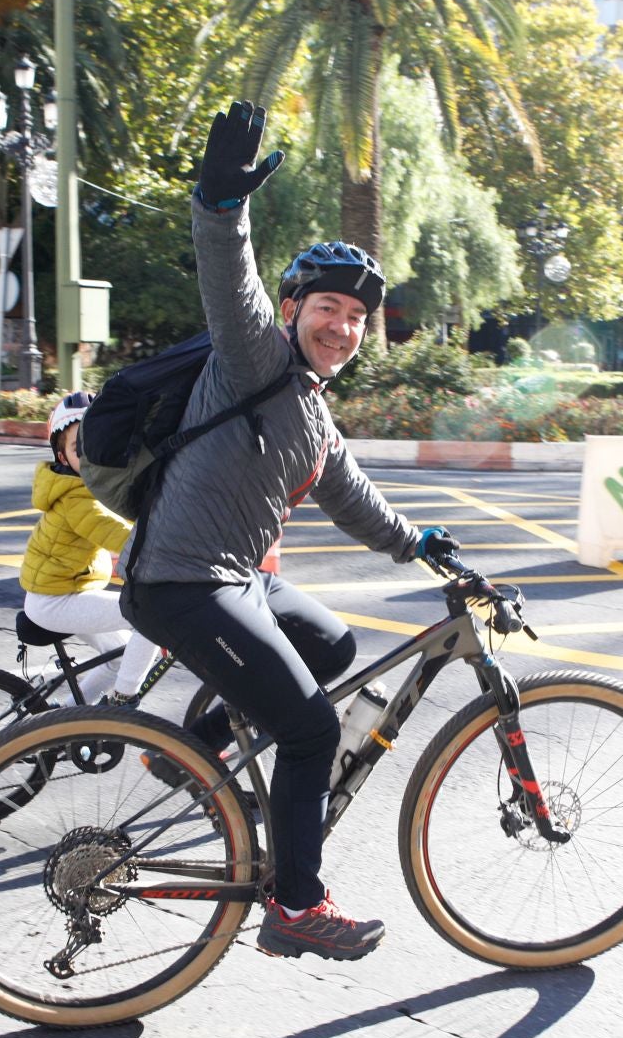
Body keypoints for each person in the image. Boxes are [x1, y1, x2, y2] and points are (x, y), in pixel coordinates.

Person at [118, 101, 458, 963]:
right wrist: (220, 203)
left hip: (235, 575)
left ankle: (191, 755)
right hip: (183, 580)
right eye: (328, 307)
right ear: (295, 306)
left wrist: (426, 548)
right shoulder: (255, 357)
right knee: (308, 732)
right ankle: (296, 905)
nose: (342, 327)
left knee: (335, 646)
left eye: (356, 318)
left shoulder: (313, 411)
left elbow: (356, 502)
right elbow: (227, 274)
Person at [18, 392, 163, 706]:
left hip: (66, 591)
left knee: (117, 657)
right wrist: (170, 545)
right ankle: (124, 698)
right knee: (152, 617)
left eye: (95, 443)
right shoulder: (76, 497)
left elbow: (129, 511)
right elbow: (118, 534)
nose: (89, 454)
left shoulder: (91, 487)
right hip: (56, 600)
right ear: (62, 456)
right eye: (77, 448)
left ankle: (67, 721)